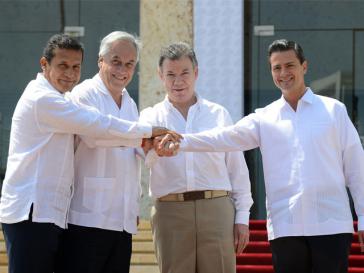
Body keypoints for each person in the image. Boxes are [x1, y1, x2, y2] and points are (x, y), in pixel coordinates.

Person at [160, 39, 364, 273]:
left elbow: (356, 167)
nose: (284, 73)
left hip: (332, 225)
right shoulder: (264, 117)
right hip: (286, 227)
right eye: (277, 68)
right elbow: (223, 137)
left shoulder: (334, 110)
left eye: (290, 65)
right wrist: (181, 141)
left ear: (304, 67)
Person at [0, 33, 178, 273]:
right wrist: (149, 131)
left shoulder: (125, 103)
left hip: (56, 213)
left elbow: (129, 149)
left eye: (75, 67)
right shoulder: (48, 99)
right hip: (38, 212)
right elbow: (97, 130)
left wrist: (150, 148)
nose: (70, 73)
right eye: (62, 65)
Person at [139, 42, 253, 273]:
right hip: (170, 212)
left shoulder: (218, 114)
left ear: (196, 73)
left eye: (184, 73)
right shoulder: (149, 117)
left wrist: (242, 216)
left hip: (217, 208)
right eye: (170, 74)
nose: (178, 81)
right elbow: (140, 161)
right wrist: (154, 152)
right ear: (161, 76)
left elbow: (237, 168)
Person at [59, 31, 149, 273]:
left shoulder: (129, 103)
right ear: (101, 61)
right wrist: (144, 136)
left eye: (129, 64)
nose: (123, 69)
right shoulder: (83, 94)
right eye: (116, 61)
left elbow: (133, 155)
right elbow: (95, 136)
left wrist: (132, 204)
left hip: (121, 222)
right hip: (87, 219)